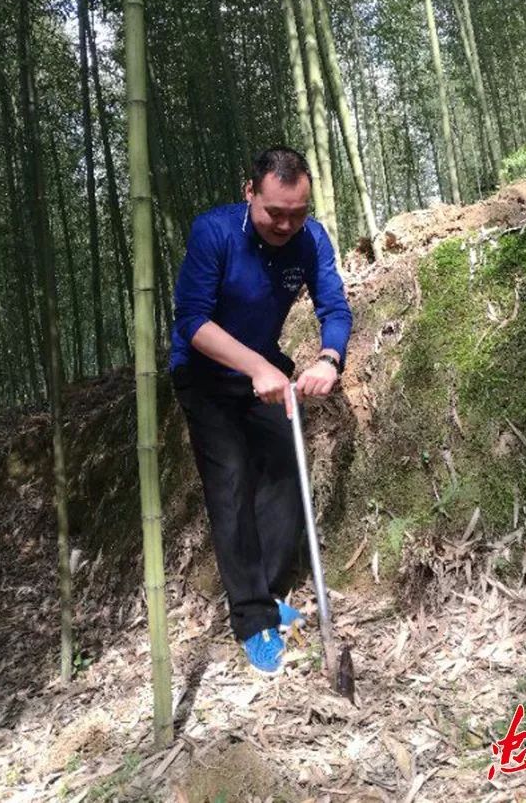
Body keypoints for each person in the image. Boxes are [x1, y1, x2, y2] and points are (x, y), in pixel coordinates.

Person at [170, 147, 352, 676]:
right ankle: (251, 620)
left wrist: (328, 358)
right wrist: (255, 366)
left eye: (298, 212)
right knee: (230, 484)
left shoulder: (310, 239)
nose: (286, 224)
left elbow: (334, 307)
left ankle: (268, 596)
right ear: (249, 193)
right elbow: (191, 322)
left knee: (285, 477)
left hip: (266, 375)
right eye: (275, 212)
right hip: (205, 376)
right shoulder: (214, 233)